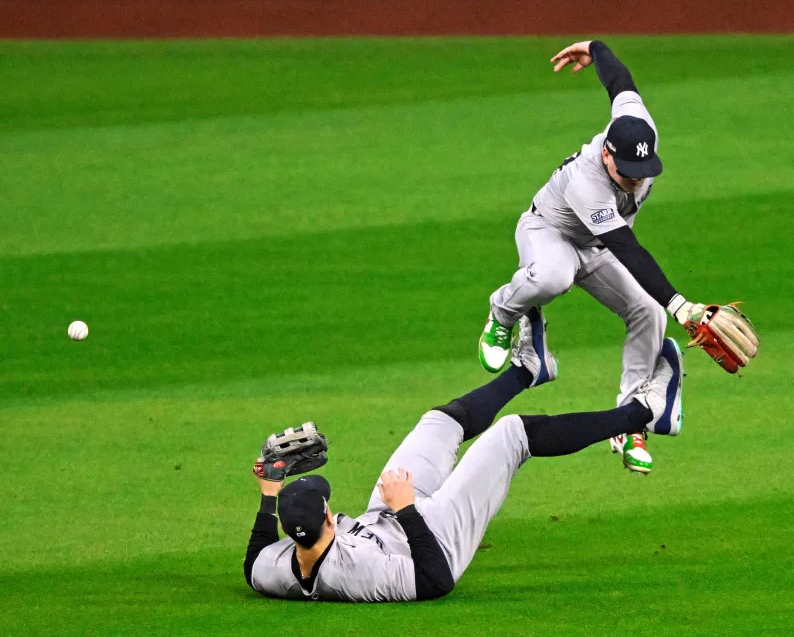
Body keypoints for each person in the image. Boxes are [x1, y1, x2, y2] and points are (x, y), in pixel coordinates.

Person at [245, 308, 683, 602]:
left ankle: (529, 369)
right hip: (436, 537)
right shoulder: (355, 572)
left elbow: (253, 565)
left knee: (439, 421)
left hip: (389, 513)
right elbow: (434, 580)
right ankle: (646, 411)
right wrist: (409, 510)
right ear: (325, 519)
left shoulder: (278, 567)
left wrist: (270, 491)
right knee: (513, 434)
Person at [477, 39, 718, 474]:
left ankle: (630, 422)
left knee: (648, 311)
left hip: (596, 246)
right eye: (627, 173)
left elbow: (620, 81)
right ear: (607, 154)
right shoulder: (587, 182)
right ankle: (503, 312)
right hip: (550, 232)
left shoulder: (637, 128)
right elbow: (627, 247)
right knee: (554, 275)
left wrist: (595, 47)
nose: (635, 180)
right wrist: (681, 304)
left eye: (642, 172)